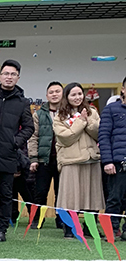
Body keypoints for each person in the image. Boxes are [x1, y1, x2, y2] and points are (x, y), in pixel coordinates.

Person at [0, 60, 34, 242]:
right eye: (6, 74)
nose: (9, 77)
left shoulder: (23, 102)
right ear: (0, 76)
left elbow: (29, 127)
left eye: (13, 74)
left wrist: (15, 142)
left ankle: (2, 229)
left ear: (18, 78)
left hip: (8, 154)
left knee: (6, 195)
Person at [53, 83, 104, 238]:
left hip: (91, 159)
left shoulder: (92, 112)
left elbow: (99, 133)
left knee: (92, 196)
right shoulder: (60, 116)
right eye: (73, 95)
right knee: (70, 196)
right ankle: (70, 228)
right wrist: (80, 122)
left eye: (80, 94)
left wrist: (87, 121)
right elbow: (66, 138)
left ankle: (90, 227)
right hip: (71, 160)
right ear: (66, 97)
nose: (77, 97)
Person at [28, 82, 63, 229]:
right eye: (51, 92)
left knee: (61, 192)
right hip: (43, 159)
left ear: (63, 94)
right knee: (40, 192)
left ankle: (61, 220)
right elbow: (33, 137)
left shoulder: (68, 113)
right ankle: (37, 219)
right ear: (47, 96)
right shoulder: (39, 114)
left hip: (63, 160)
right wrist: (33, 158)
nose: (54, 94)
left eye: (57, 91)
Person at [99, 77, 126, 239]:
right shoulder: (111, 109)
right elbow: (103, 136)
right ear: (123, 89)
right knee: (115, 198)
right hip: (118, 162)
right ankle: (112, 230)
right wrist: (107, 161)